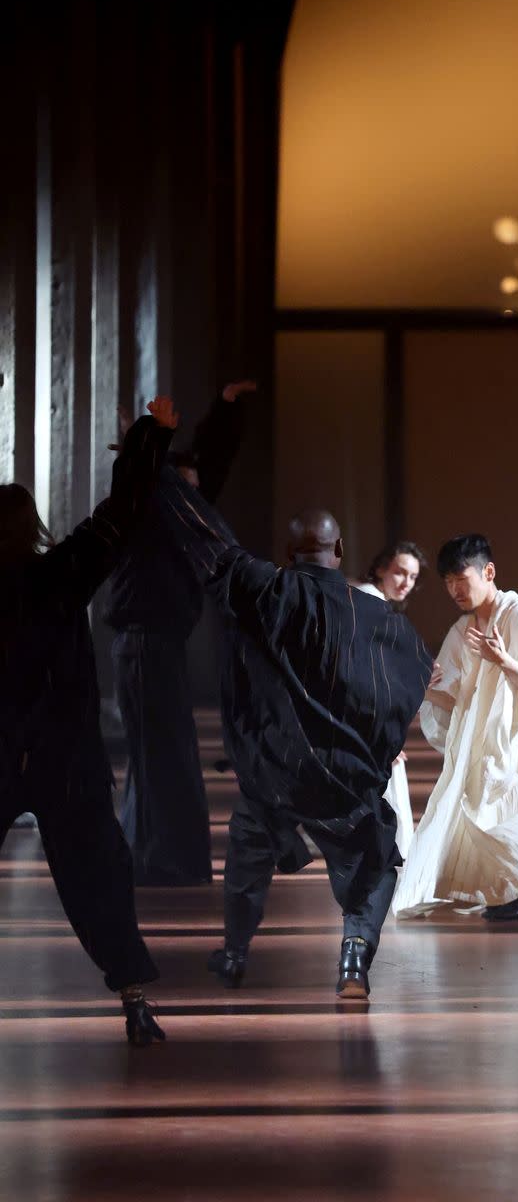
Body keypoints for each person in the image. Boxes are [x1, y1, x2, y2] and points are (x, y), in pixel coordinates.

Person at [155, 481, 433, 999]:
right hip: (341, 774)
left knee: (247, 853)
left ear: (288, 553)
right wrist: (377, 745)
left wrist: (153, 464)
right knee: (375, 859)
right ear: (341, 552)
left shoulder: (263, 589)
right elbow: (402, 683)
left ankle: (235, 953)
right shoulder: (373, 619)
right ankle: (353, 962)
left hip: (273, 768)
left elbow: (210, 541)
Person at [0, 397, 177, 1045]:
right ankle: (133, 1001)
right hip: (65, 758)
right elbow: (120, 514)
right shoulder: (61, 575)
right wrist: (149, 440)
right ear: (32, 527)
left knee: (97, 872)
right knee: (97, 880)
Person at [105, 379, 256, 885]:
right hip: (142, 640)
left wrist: (225, 410)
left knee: (165, 752)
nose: (196, 491)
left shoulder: (178, 512)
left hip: (158, 642)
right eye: (183, 483)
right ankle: (156, 859)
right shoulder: (148, 507)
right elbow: (149, 477)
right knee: (157, 754)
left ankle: (161, 856)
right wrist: (143, 442)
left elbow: (209, 468)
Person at [392, 533, 518, 922]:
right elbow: (461, 700)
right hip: (487, 740)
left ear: (488, 571)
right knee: (482, 807)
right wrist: (428, 687)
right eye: (448, 582)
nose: (456, 589)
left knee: (499, 807)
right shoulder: (462, 631)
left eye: (462, 578)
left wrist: (504, 661)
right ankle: (512, 891)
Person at [355, 541, 428, 858]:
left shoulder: (369, 601)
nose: (405, 583)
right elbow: (365, 677)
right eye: (399, 572)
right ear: (381, 568)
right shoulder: (369, 603)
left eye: (412, 577)